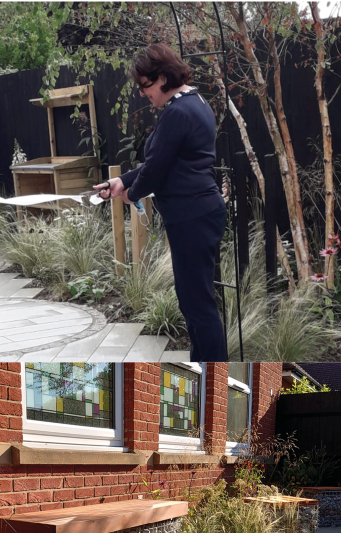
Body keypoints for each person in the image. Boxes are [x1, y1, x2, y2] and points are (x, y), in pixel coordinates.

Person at [95, 43, 229, 361]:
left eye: (145, 85)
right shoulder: (194, 103)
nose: (143, 94)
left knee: (197, 303)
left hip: (193, 217)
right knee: (194, 300)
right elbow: (164, 163)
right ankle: (204, 363)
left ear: (163, 78)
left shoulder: (177, 112)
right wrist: (122, 182)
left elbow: (155, 172)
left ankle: (211, 369)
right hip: (197, 215)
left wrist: (132, 192)